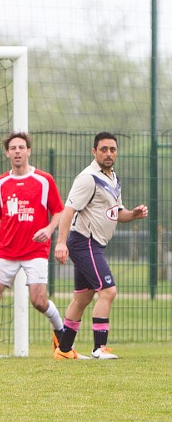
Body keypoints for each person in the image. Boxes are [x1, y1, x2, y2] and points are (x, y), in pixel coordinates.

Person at [54, 132, 148, 359]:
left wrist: (133, 215)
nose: (108, 153)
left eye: (112, 149)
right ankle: (99, 348)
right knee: (108, 291)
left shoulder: (113, 178)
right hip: (84, 241)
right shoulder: (88, 178)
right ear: (94, 151)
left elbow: (116, 213)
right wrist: (60, 243)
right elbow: (69, 210)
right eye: (103, 149)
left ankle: (64, 350)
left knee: (82, 298)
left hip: (95, 244)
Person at [0, 132, 66, 360]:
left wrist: (49, 229)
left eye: (21, 147)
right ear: (7, 153)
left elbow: (59, 211)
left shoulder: (44, 180)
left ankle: (60, 332)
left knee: (38, 301)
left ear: (28, 151)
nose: (17, 151)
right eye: (13, 148)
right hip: (7, 251)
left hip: (35, 251)